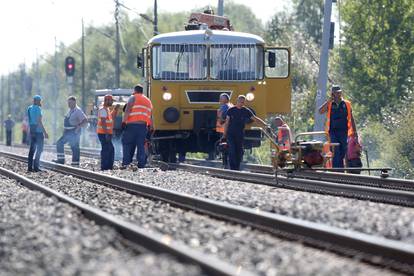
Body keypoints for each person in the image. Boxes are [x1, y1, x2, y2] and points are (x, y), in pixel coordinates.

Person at [222, 95, 270, 170]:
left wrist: (265, 124)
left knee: (239, 151)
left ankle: (236, 168)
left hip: (240, 134)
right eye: (241, 102)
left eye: (243, 102)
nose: (242, 103)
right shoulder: (231, 110)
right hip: (230, 134)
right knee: (232, 150)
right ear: (237, 101)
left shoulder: (246, 111)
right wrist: (224, 135)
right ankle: (232, 168)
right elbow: (227, 123)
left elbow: (255, 118)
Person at [319, 85, 358, 168]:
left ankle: (340, 169)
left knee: (343, 151)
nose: (338, 94)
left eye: (339, 92)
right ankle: (337, 171)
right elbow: (320, 111)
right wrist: (329, 100)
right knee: (335, 150)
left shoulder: (346, 104)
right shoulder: (330, 104)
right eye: (336, 93)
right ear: (332, 94)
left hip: (344, 132)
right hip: (332, 132)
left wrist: (355, 133)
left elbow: (351, 118)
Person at [121, 85, 153, 168]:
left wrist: (124, 122)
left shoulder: (133, 97)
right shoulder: (148, 101)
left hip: (131, 125)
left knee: (127, 144)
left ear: (135, 91)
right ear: (142, 91)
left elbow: (127, 109)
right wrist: (150, 126)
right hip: (143, 126)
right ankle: (141, 164)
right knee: (141, 145)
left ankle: (126, 163)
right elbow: (150, 115)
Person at [53, 96, 88, 165]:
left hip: (74, 132)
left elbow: (85, 120)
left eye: (70, 103)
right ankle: (61, 160)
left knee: (74, 147)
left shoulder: (78, 111)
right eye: (68, 103)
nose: (68, 104)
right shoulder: (70, 110)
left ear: (74, 102)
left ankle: (75, 163)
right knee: (59, 143)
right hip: (67, 132)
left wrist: (78, 127)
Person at [97, 95, 120, 170]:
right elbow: (103, 122)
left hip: (106, 133)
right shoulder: (103, 110)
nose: (112, 102)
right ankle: (105, 167)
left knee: (109, 149)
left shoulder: (107, 110)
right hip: (103, 133)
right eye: (111, 101)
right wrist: (107, 133)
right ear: (107, 100)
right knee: (106, 149)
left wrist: (115, 110)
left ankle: (108, 166)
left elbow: (112, 118)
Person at [27, 95, 48, 172]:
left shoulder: (29, 108)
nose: (40, 102)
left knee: (32, 149)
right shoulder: (38, 109)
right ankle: (36, 166)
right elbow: (39, 121)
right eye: (39, 101)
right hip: (38, 132)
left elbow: (30, 120)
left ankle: (29, 167)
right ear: (36, 101)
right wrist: (45, 132)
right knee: (40, 149)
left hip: (32, 131)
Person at [216, 93, 233, 168]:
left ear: (226, 99)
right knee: (228, 146)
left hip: (224, 129)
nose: (220, 100)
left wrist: (221, 118)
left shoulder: (224, 107)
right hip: (227, 129)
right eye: (220, 98)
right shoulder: (231, 106)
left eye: (222, 98)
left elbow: (223, 118)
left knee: (224, 146)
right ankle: (227, 162)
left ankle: (225, 163)